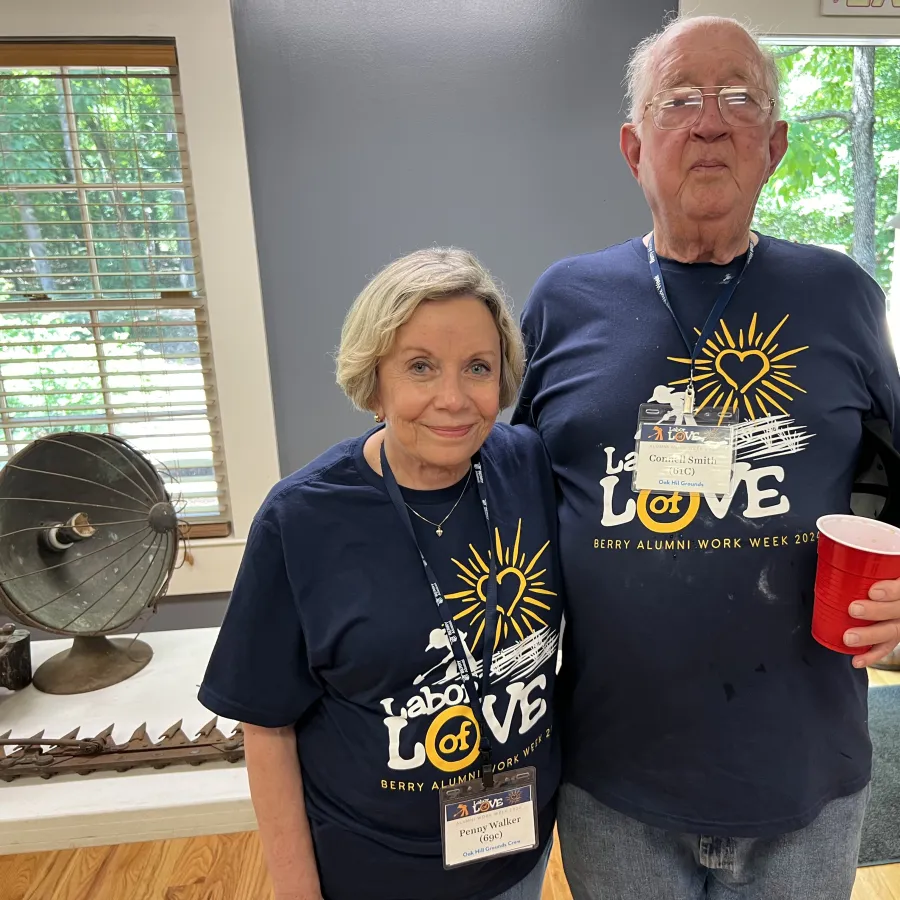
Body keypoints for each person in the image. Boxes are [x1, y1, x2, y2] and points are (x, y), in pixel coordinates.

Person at [512, 14, 900, 900]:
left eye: (739, 99)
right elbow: (499, 489)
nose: (710, 121)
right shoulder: (563, 301)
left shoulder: (839, 293)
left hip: (804, 778)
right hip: (616, 785)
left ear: (776, 144)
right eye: (679, 100)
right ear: (633, 146)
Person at [199, 248, 563, 900]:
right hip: (374, 873)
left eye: (477, 368)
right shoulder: (302, 519)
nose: (453, 399)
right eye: (420, 367)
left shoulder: (528, 468)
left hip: (518, 857)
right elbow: (266, 726)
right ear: (375, 381)